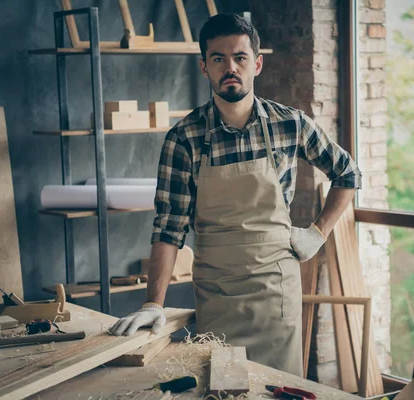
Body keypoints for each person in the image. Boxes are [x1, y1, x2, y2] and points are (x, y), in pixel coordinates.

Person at [109, 13, 361, 377]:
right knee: (222, 385)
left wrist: (318, 233)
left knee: (280, 388)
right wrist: (152, 303)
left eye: (240, 57)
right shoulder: (185, 139)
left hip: (276, 292)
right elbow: (169, 229)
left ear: (256, 64)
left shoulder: (290, 125)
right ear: (204, 67)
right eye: (218, 59)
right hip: (218, 293)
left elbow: (348, 173)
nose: (230, 67)